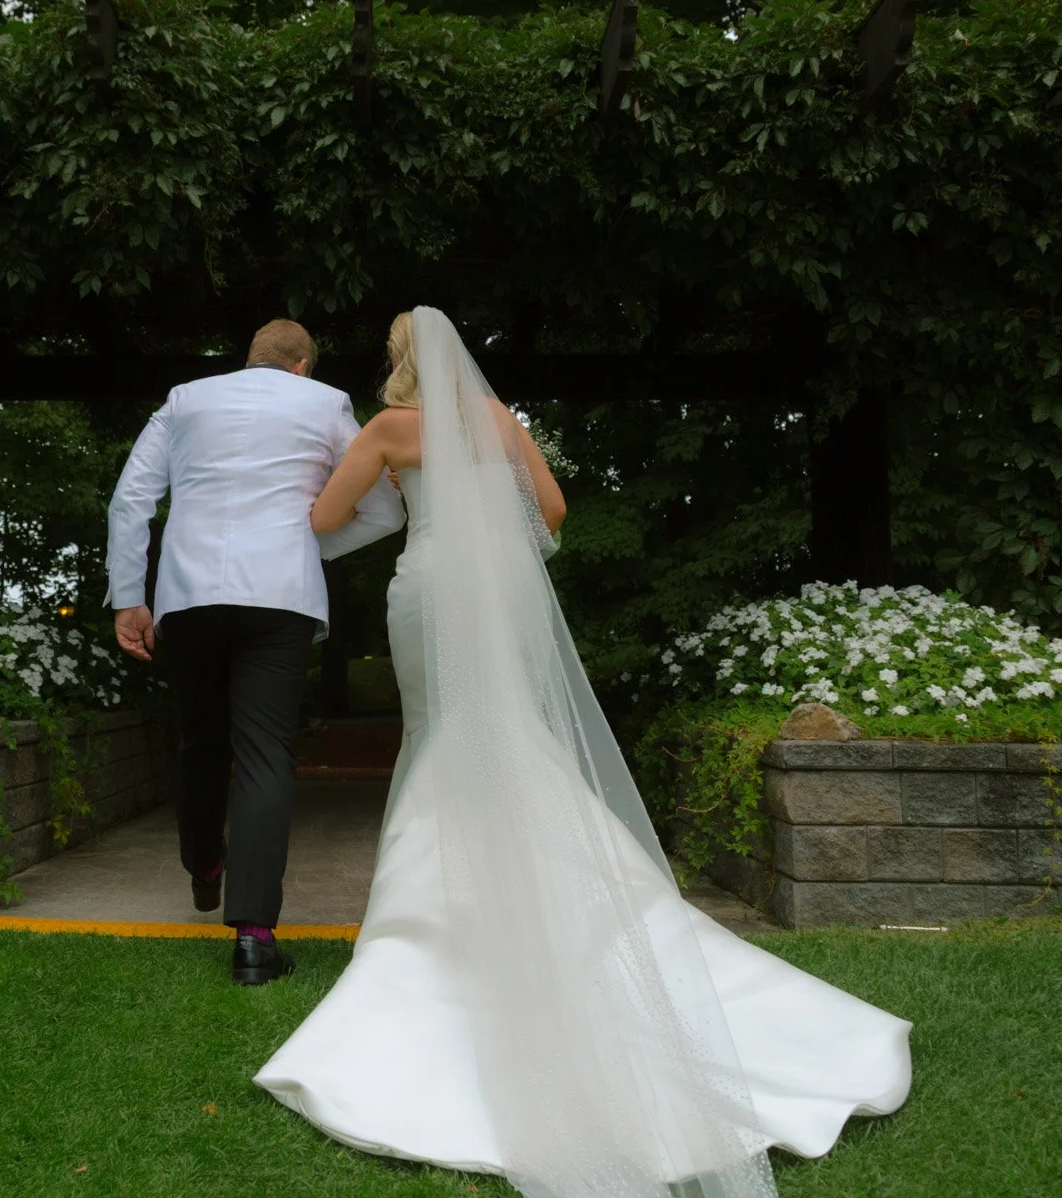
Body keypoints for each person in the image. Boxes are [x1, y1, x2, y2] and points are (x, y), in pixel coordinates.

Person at [255, 308, 912, 1197]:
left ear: (397, 359)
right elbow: (554, 511)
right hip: (502, 594)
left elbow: (326, 516)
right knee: (511, 730)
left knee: (441, 736)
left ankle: (439, 927)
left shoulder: (389, 430)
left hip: (430, 590)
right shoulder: (499, 420)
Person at [105, 319, 404, 985]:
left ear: (250, 360)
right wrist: (309, 546)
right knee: (267, 753)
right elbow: (385, 510)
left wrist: (129, 597)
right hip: (280, 595)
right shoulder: (326, 403)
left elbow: (132, 500)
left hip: (188, 594)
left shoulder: (184, 399)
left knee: (201, 738)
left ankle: (204, 863)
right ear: (302, 366)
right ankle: (254, 939)